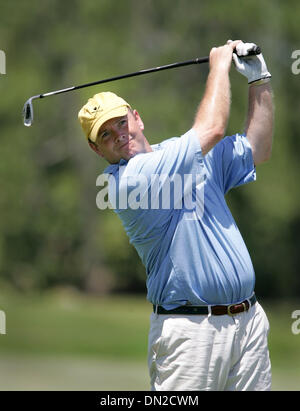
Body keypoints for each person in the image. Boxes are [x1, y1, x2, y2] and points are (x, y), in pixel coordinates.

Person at [78, 40, 274, 391]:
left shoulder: (180, 152)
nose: (118, 135)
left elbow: (257, 148)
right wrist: (219, 65)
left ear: (136, 117)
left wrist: (259, 79)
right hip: (191, 333)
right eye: (105, 135)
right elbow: (212, 129)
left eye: (120, 122)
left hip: (248, 324)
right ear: (96, 149)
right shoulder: (128, 181)